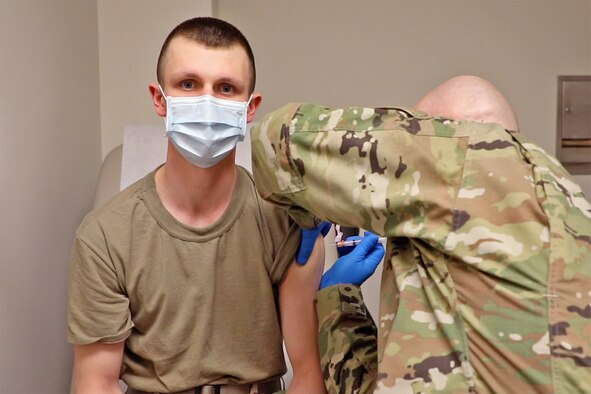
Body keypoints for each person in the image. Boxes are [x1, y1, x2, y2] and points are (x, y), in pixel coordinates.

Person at [251, 75, 591, 393]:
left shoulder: (467, 158)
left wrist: (309, 212)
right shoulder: (569, 207)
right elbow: (400, 381)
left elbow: (278, 138)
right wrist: (340, 298)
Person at [67, 17, 327, 394]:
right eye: (188, 84)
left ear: (250, 108)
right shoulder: (104, 237)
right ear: (161, 99)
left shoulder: (286, 222)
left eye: (225, 88)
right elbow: (96, 384)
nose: (207, 103)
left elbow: (307, 376)